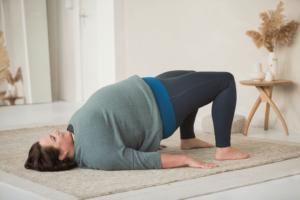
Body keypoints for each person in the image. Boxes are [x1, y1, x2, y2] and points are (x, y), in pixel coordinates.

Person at [24, 70, 249, 172]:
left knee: (193, 74)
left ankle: (188, 138)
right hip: (162, 107)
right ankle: (224, 148)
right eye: (53, 138)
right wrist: (186, 161)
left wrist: (140, 140)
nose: (56, 131)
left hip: (152, 88)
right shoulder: (98, 157)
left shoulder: (73, 132)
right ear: (62, 155)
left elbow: (115, 129)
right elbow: (140, 161)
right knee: (225, 81)